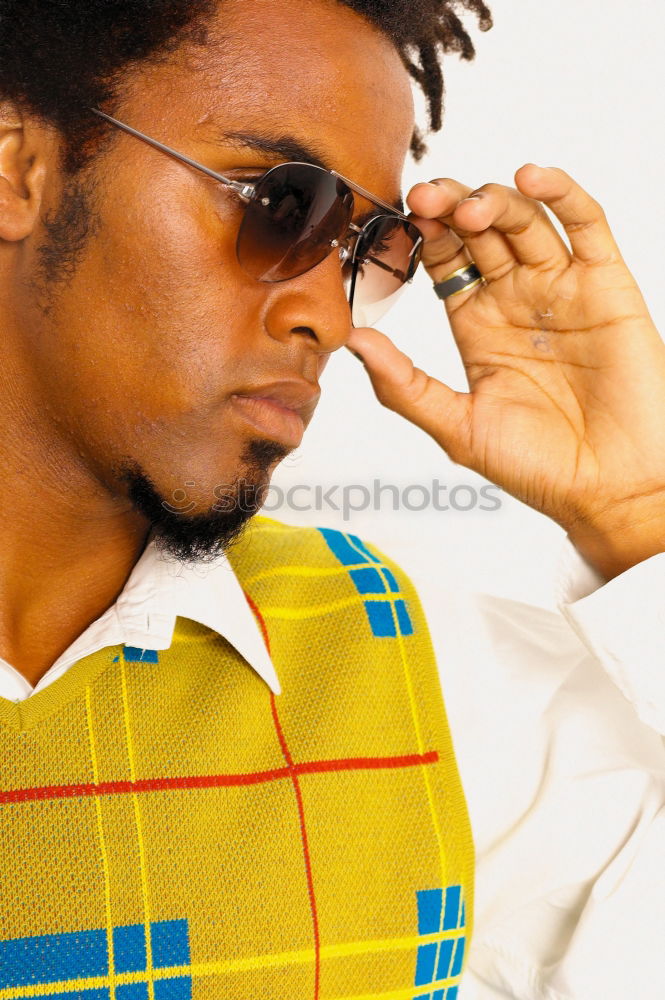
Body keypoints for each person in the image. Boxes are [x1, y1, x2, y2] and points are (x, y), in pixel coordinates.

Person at [0, 1, 663, 998]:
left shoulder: (402, 660)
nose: (324, 314)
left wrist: (638, 512)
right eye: (282, 203)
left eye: (369, 248)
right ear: (18, 169)